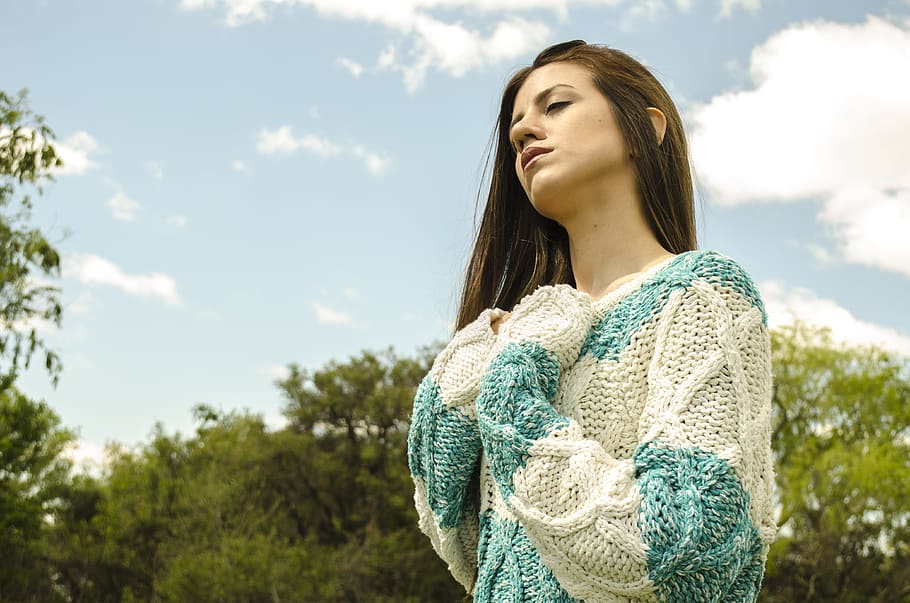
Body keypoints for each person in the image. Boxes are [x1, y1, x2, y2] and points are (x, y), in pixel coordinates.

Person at [407, 40, 777, 603]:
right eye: (516, 128)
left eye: (554, 106)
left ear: (643, 129)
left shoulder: (700, 296)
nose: (525, 132)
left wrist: (512, 397)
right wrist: (483, 356)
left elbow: (688, 550)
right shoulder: (519, 336)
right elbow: (461, 541)